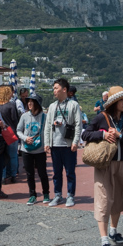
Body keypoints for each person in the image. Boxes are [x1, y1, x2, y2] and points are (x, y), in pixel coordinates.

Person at [82, 86, 123, 246]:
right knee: (103, 198)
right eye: (121, 100)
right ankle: (103, 240)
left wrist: (120, 135)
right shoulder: (102, 117)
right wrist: (102, 135)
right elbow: (86, 134)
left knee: (119, 197)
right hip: (104, 164)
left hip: (122, 163)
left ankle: (113, 230)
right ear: (113, 102)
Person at [44, 78, 82, 207]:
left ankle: (70, 195)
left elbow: (78, 124)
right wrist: (47, 142)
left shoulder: (73, 105)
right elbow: (48, 125)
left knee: (70, 172)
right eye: (54, 88)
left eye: (56, 88)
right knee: (56, 172)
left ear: (64, 89)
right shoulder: (53, 106)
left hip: (68, 144)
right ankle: (57, 195)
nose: (54, 91)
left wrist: (76, 141)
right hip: (55, 144)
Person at [17, 93, 51, 206]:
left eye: (32, 101)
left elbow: (48, 131)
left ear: (38, 104)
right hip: (26, 150)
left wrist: (47, 144)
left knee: (42, 173)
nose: (29, 103)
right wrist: (25, 138)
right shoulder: (24, 116)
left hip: (40, 150)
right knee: (29, 173)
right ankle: (32, 195)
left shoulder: (44, 117)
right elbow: (18, 130)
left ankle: (46, 193)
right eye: (28, 101)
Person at [0, 86, 21, 184]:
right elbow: (15, 119)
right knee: (13, 156)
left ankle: (3, 175)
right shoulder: (11, 105)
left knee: (2, 156)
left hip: (0, 133)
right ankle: (13, 175)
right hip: (11, 132)